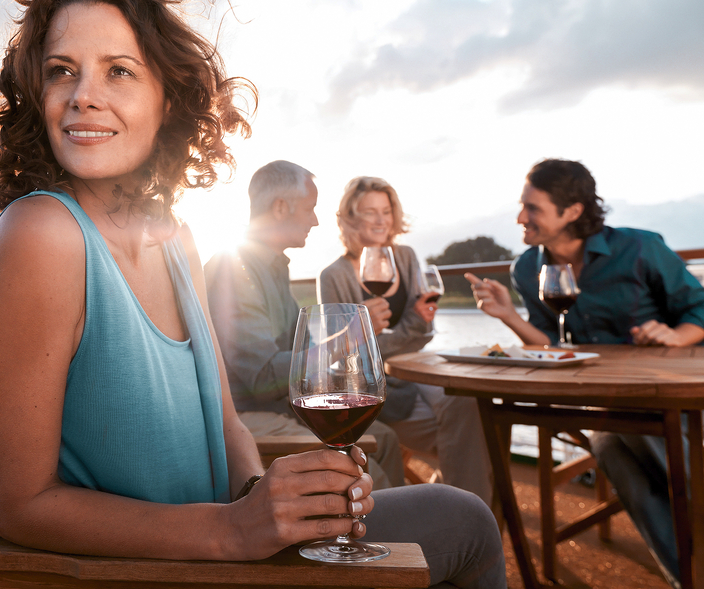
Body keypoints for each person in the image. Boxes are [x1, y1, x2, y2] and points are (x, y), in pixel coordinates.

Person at [0, 0, 506, 585]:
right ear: (37, 91)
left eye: (119, 72)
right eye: (63, 70)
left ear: (168, 98)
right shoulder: (40, 234)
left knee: (463, 516)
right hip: (156, 569)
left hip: (225, 547)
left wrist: (265, 498)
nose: (84, 96)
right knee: (461, 524)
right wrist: (233, 531)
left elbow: (227, 423)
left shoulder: (176, 238)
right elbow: (20, 504)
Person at [466, 157, 704, 588]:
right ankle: (687, 576)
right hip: (600, 401)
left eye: (532, 208)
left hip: (668, 394)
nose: (521, 218)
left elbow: (699, 308)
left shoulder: (640, 248)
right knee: (612, 443)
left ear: (573, 211)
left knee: (627, 437)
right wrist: (507, 315)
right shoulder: (527, 269)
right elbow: (555, 348)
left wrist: (673, 334)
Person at [203, 162, 406, 490]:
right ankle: (363, 538)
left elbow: (303, 352)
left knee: (387, 441)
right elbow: (265, 378)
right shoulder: (233, 269)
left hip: (278, 406)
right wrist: (349, 337)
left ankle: (398, 534)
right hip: (242, 419)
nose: (315, 219)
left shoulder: (272, 268)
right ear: (280, 208)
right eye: (310, 208)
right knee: (366, 475)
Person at [317, 176, 494, 509]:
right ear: (351, 218)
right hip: (373, 383)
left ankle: (461, 513)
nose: (382, 219)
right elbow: (348, 355)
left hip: (417, 367)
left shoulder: (407, 257)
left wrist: (384, 334)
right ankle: (462, 513)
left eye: (386, 211)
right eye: (370, 212)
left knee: (467, 401)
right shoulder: (334, 276)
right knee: (474, 442)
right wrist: (380, 332)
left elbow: (425, 330)